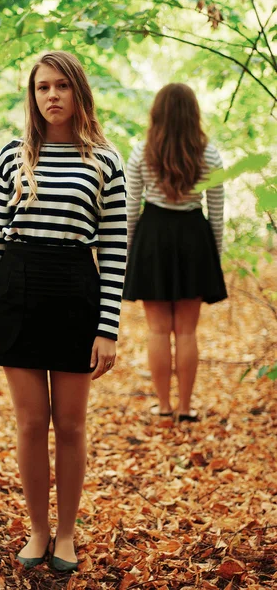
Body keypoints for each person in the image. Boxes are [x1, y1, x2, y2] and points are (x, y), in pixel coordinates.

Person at [0, 51, 127, 571]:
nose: (51, 95)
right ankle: (37, 530)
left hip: (76, 293)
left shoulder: (105, 159)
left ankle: (67, 535)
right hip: (17, 292)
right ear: (32, 97)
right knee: (32, 423)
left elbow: (115, 247)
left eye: (61, 85)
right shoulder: (12, 156)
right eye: (42, 88)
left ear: (78, 90)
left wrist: (108, 328)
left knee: (72, 425)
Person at [123, 83, 227, 423]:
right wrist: (214, 257)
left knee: (157, 329)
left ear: (157, 112)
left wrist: (128, 252)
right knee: (186, 330)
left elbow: (129, 208)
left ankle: (164, 407)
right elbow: (217, 212)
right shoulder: (209, 154)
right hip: (193, 239)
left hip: (152, 237)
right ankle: (185, 409)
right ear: (193, 113)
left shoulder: (142, 152)